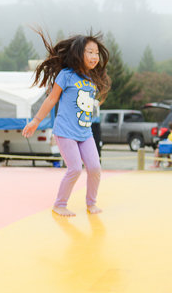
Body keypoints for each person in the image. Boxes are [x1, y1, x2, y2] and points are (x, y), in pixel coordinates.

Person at [22, 30, 111, 217]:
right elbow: (51, 99)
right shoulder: (66, 75)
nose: (95, 56)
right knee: (75, 168)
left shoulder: (91, 79)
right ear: (79, 53)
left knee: (95, 168)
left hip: (85, 132)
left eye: (96, 53)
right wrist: (36, 121)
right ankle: (60, 204)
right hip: (65, 131)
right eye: (90, 52)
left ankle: (91, 203)